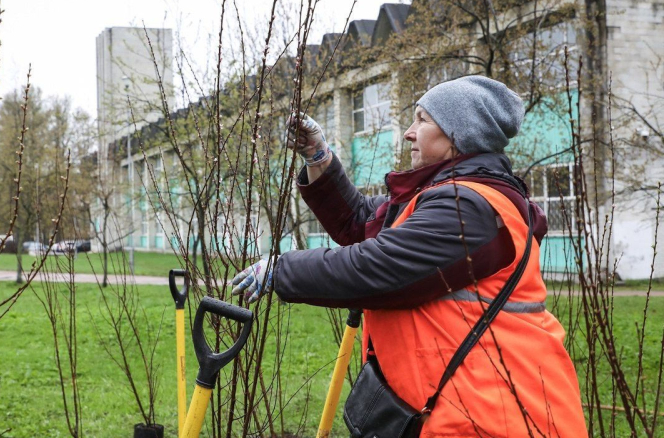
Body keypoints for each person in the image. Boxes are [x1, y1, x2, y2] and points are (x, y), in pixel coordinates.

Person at [231, 76, 588, 437]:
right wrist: (318, 157)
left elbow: (378, 268)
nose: (409, 132)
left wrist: (282, 268)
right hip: (467, 406)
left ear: (458, 135)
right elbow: (362, 221)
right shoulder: (443, 196)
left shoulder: (467, 207)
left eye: (422, 119)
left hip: (494, 415)